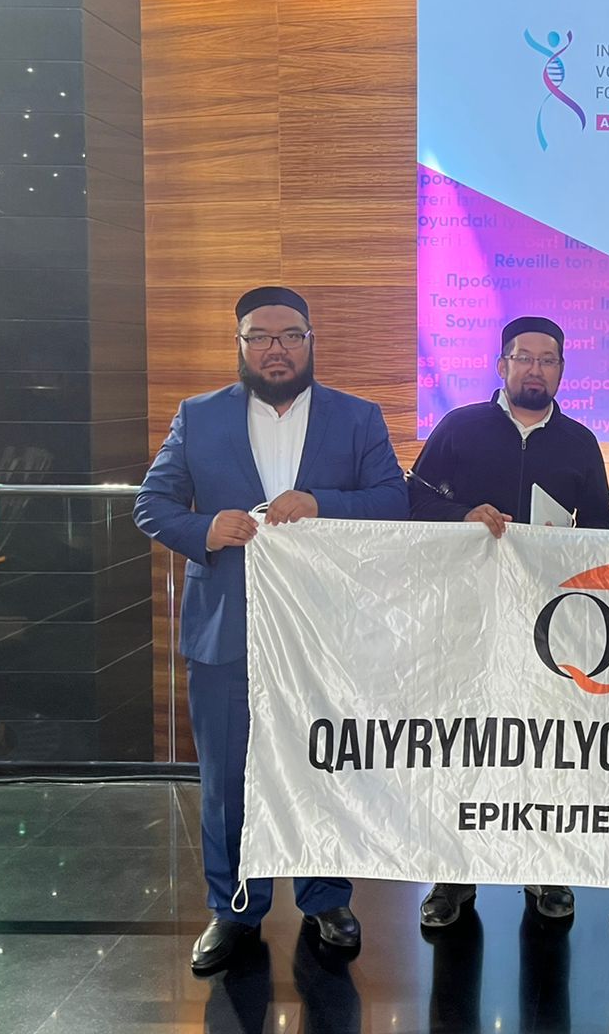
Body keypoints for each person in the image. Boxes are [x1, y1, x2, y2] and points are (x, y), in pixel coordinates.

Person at [135, 286, 409, 973]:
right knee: (227, 778)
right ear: (241, 345)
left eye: (290, 336)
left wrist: (321, 503)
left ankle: (326, 900)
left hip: (325, 633)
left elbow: (392, 500)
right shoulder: (198, 417)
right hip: (226, 631)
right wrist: (205, 528)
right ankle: (234, 909)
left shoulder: (357, 417)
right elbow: (152, 504)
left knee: (326, 765)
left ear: (311, 341)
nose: (276, 349)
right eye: (260, 337)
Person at [409, 315, 609, 927]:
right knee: (460, 739)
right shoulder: (459, 426)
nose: (535, 369)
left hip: (546, 620)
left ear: (561, 371)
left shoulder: (580, 443)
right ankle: (452, 876)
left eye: (547, 360)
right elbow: (414, 499)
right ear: (502, 366)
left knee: (545, 742)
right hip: (464, 611)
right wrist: (463, 515)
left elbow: (598, 530)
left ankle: (544, 869)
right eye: (524, 358)